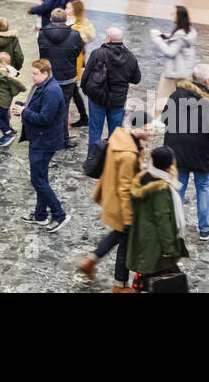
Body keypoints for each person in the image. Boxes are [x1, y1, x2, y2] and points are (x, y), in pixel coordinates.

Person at [80, 109, 151, 289]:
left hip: (113, 196)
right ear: (137, 128)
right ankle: (120, 285)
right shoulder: (128, 153)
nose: (150, 132)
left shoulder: (122, 138)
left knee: (118, 235)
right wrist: (128, 217)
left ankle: (90, 260)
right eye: (147, 128)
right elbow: (125, 187)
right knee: (125, 243)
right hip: (123, 203)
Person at [161, 63, 209, 241]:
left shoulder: (176, 95)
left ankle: (174, 226)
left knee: (179, 186)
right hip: (201, 152)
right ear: (207, 81)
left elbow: (165, 118)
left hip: (177, 150)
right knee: (202, 188)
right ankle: (204, 229)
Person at [13, 58, 68, 232]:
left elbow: (45, 118)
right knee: (41, 179)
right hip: (38, 138)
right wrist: (22, 108)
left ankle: (59, 214)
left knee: (37, 181)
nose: (32, 76)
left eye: (35, 73)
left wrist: (24, 112)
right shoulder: (42, 86)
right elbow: (36, 108)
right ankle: (40, 215)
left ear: (45, 73)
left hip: (45, 141)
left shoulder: (51, 91)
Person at [127, 146, 190, 281]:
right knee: (160, 279)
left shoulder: (143, 177)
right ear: (169, 165)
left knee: (147, 276)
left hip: (143, 236)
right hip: (155, 244)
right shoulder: (161, 188)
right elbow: (162, 219)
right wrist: (169, 247)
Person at [80, 26, 142, 145]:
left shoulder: (98, 53)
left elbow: (86, 76)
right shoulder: (130, 57)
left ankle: (93, 156)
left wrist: (87, 90)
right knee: (115, 134)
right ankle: (112, 156)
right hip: (118, 101)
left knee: (95, 131)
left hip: (97, 98)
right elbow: (136, 79)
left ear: (108, 38)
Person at [37, 8, 84, 148]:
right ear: (66, 20)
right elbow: (77, 52)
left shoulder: (42, 33)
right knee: (64, 108)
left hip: (48, 76)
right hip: (67, 77)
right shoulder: (75, 34)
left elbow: (42, 52)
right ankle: (64, 139)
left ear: (51, 19)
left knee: (47, 107)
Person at [149, 5, 197, 109]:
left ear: (179, 16)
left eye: (174, 13)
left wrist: (158, 40)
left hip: (173, 74)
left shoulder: (180, 35)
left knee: (162, 100)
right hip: (184, 72)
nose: (171, 14)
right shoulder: (188, 32)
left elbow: (170, 52)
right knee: (181, 101)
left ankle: (160, 118)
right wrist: (163, 36)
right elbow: (175, 40)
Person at [66, 0, 97, 128]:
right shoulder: (66, 20)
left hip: (74, 60)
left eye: (68, 8)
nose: (65, 9)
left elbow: (88, 38)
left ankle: (83, 117)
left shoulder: (81, 25)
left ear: (75, 10)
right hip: (68, 60)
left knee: (72, 89)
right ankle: (83, 117)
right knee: (73, 90)